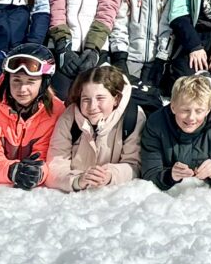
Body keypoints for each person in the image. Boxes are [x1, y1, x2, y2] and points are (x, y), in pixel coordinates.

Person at [0, 47, 65, 188]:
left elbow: (49, 157)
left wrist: (37, 172)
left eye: (31, 81)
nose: (22, 89)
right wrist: (11, 171)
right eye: (16, 80)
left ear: (43, 83)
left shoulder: (56, 112)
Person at [46, 63, 145, 191]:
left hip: (114, 198)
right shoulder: (69, 118)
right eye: (86, 99)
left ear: (116, 99)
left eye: (100, 98)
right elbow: (55, 163)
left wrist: (109, 175)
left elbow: (135, 165)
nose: (92, 107)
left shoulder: (133, 117)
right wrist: (77, 180)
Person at [144, 72, 211, 187]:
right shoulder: (156, 124)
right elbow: (149, 174)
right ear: (173, 107)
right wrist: (169, 176)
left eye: (199, 111)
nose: (191, 118)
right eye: (185, 110)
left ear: (208, 110)